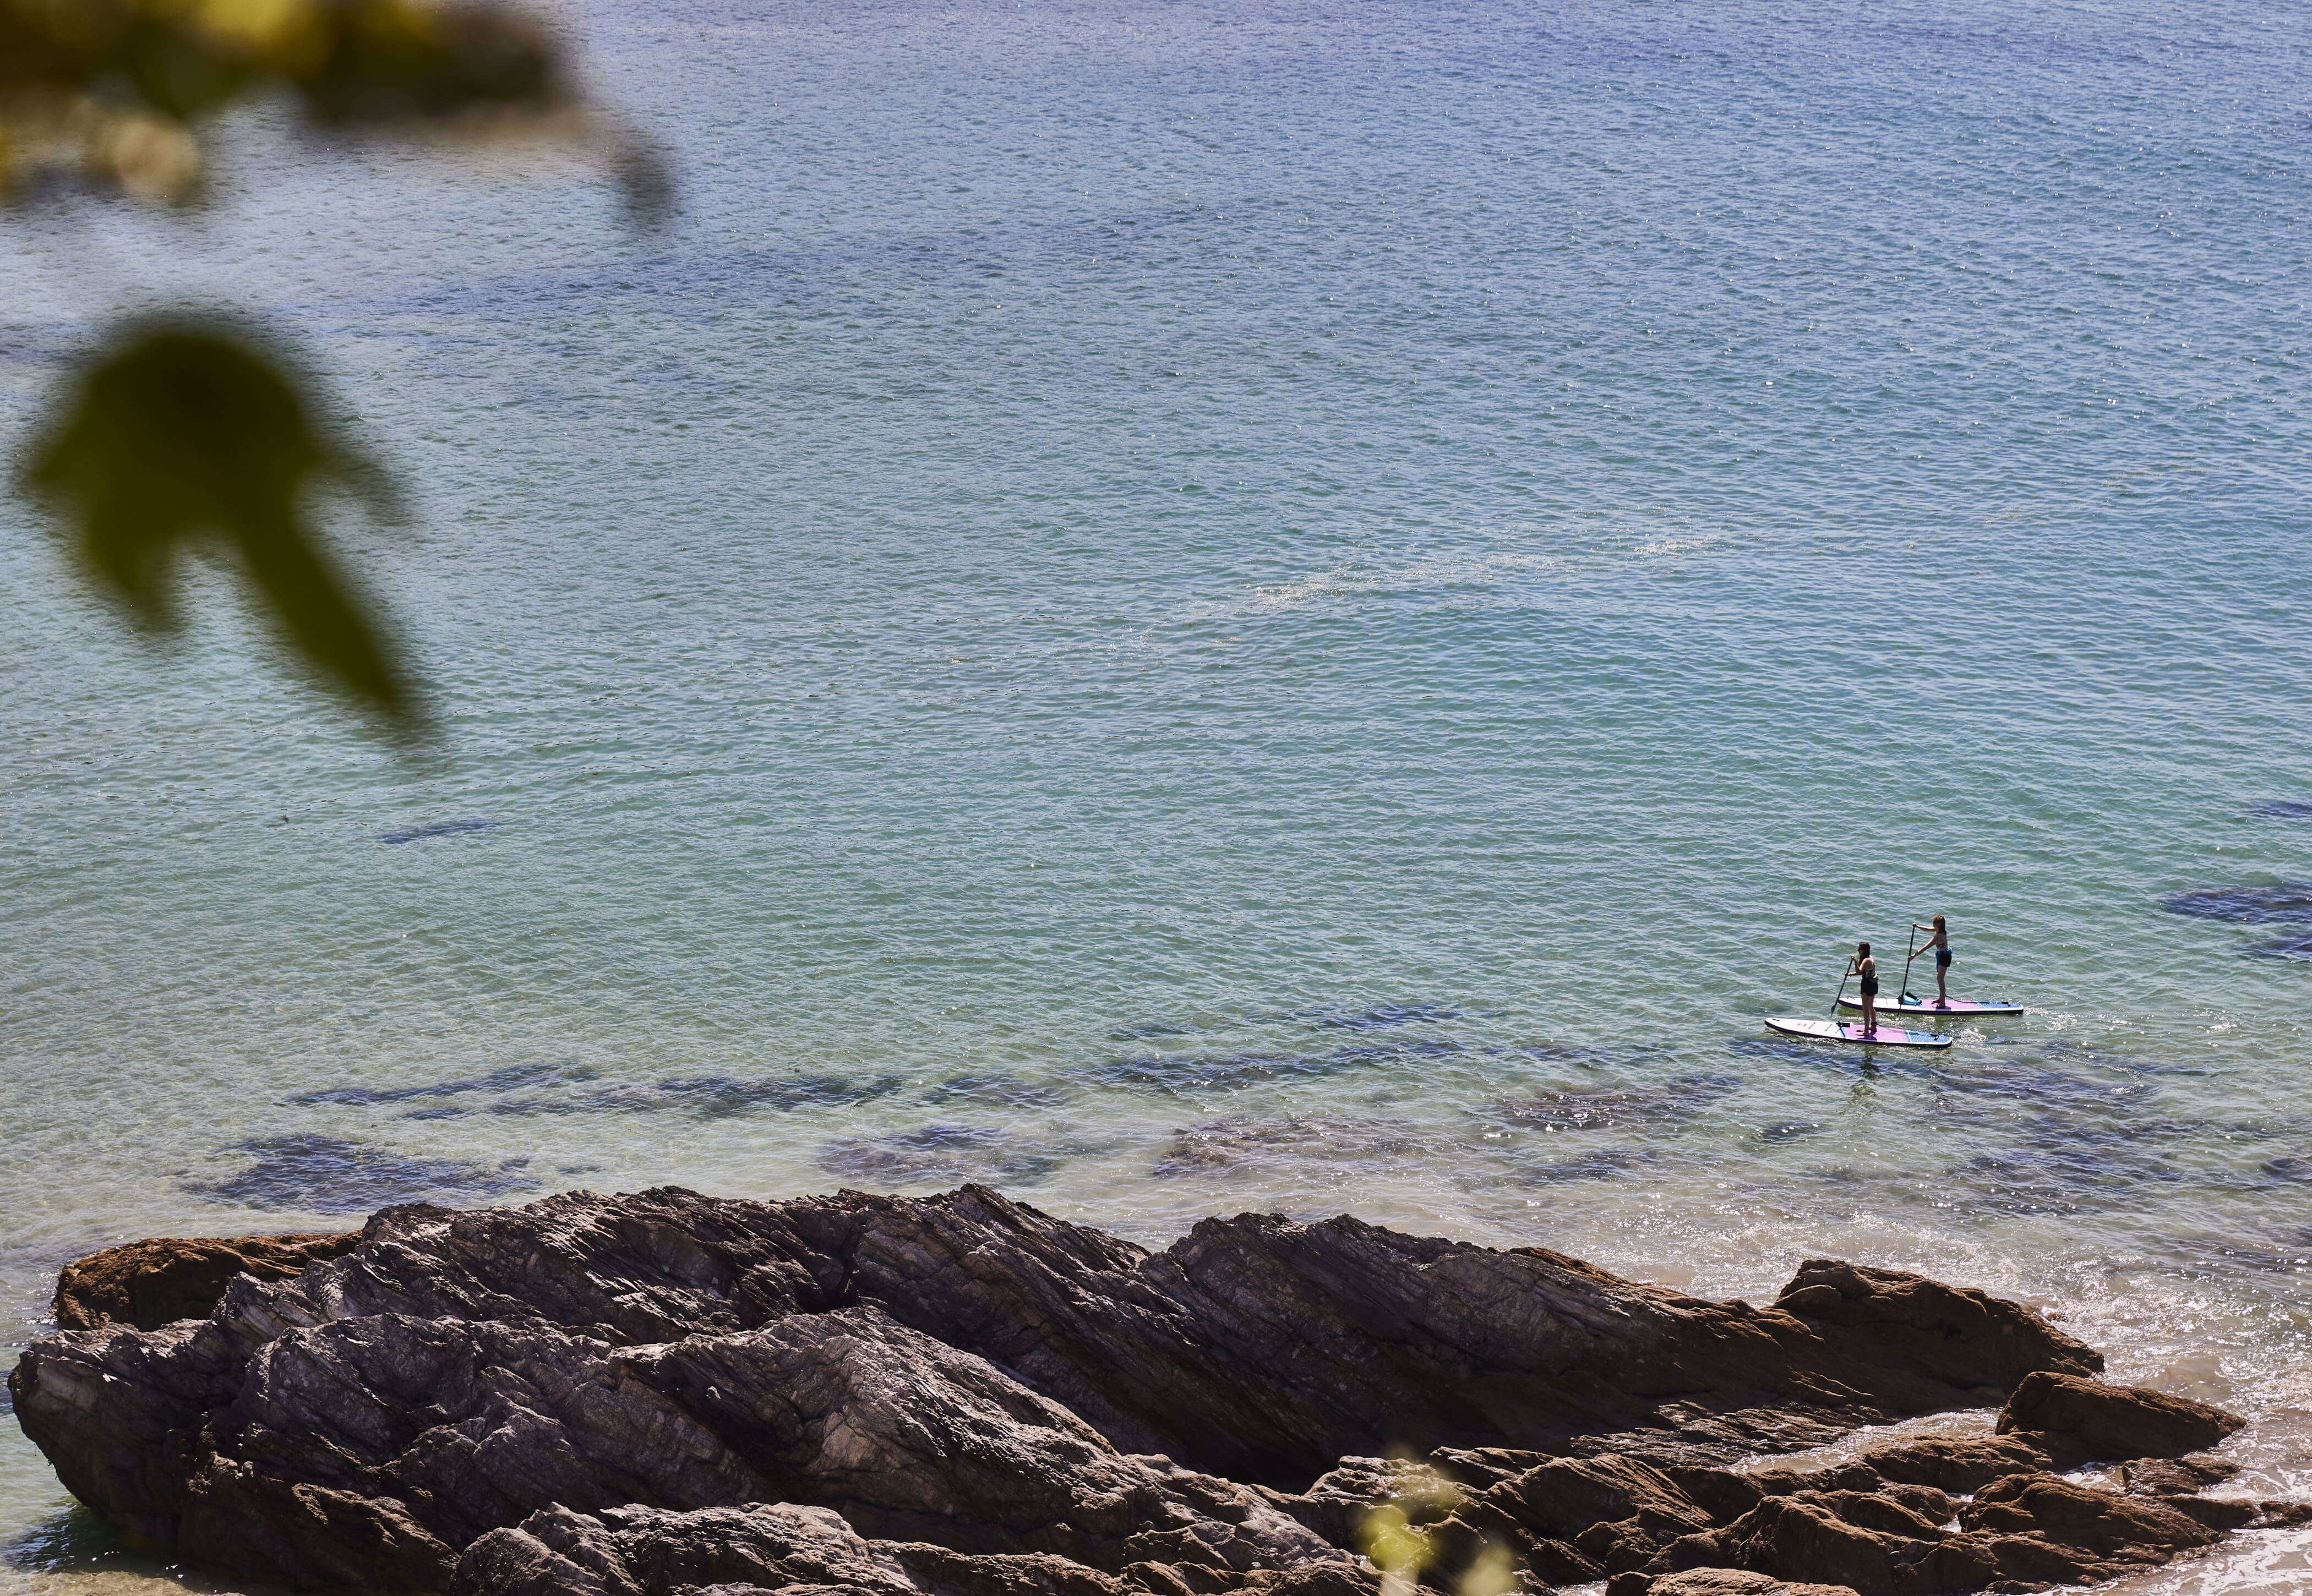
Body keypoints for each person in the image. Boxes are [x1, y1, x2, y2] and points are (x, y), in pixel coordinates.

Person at [1919, 915, 1952, 1007]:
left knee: (1940, 979)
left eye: (1935, 923)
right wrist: (1917, 927)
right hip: (1942, 955)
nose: (1933, 924)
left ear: (1940, 924)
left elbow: (1925, 947)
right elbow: (1926, 929)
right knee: (1940, 978)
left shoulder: (1939, 936)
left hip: (1944, 957)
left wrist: (1913, 956)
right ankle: (1941, 999)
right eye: (1933, 922)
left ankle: (1943, 1003)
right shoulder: (1940, 930)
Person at [1848, 941, 1878, 1035]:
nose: (1858, 950)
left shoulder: (1866, 961)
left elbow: (1859, 970)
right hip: (1874, 983)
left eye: (1860, 949)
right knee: (1870, 1006)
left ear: (1863, 950)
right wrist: (1852, 974)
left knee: (1865, 1008)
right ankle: (1873, 1025)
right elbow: (1863, 972)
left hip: (1867, 985)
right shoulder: (1870, 958)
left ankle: (1866, 1032)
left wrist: (1855, 961)